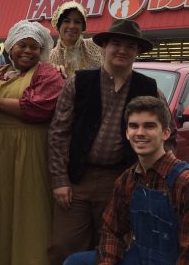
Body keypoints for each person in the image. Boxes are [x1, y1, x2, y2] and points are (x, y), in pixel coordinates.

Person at [48, 19, 177, 264]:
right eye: (116, 43)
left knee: (112, 248)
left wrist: (150, 182)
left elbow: (167, 139)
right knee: (64, 246)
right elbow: (58, 133)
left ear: (137, 51)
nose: (122, 50)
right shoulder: (79, 82)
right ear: (104, 46)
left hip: (121, 181)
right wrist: (59, 180)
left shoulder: (150, 89)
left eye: (130, 46)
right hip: (77, 180)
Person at [64, 96, 189, 264]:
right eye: (133, 126)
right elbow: (111, 230)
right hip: (138, 258)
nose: (140, 133)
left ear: (166, 133)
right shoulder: (128, 179)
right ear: (126, 133)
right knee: (75, 262)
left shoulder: (183, 181)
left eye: (149, 126)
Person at [0, 20, 64, 265]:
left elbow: (36, 108)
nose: (28, 51)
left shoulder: (49, 74)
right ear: (9, 47)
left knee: (29, 210)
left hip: (30, 151)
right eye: (22, 45)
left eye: (34, 47)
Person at [49, 1, 103, 77]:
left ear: (83, 27)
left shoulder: (96, 45)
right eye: (66, 21)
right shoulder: (50, 57)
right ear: (58, 25)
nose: (72, 26)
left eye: (77, 22)